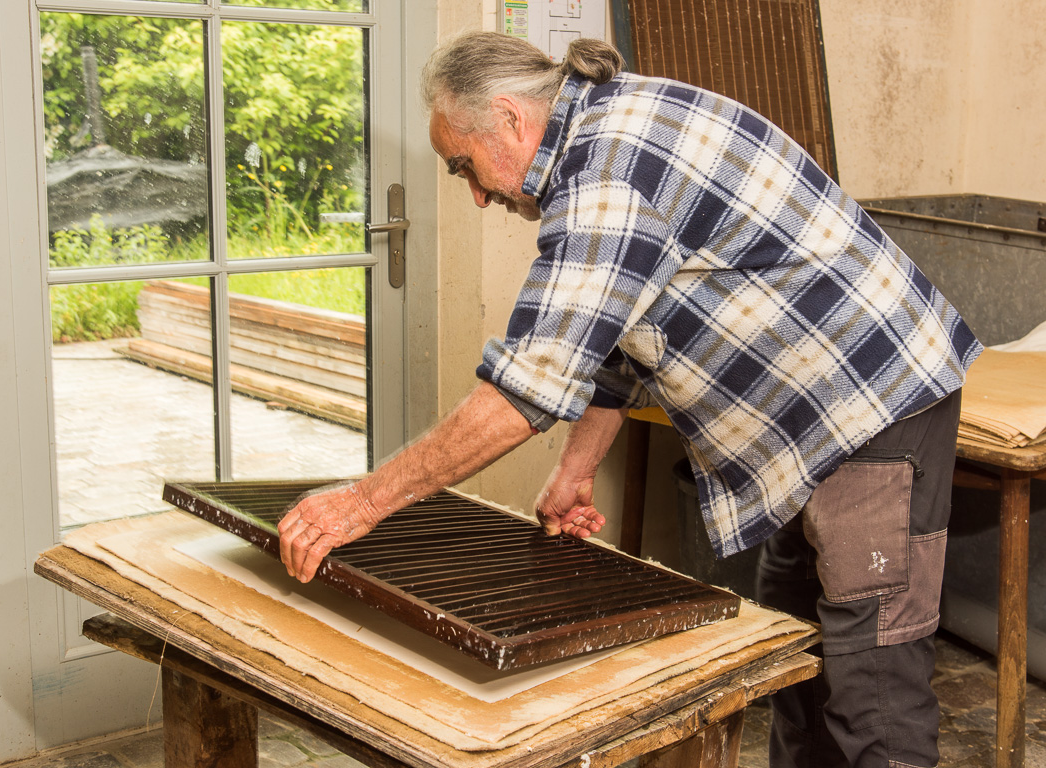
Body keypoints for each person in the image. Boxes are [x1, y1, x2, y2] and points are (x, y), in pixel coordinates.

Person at [278, 31, 981, 768]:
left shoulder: (605, 173)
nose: (478, 194)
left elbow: (524, 390)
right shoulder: (604, 128)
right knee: (798, 640)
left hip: (870, 398)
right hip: (811, 418)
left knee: (869, 671)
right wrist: (576, 469)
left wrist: (359, 504)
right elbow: (614, 341)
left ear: (512, 119)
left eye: (466, 167)